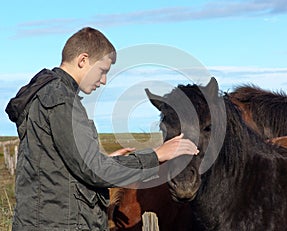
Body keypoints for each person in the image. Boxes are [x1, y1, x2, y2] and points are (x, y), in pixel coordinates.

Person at [5, 27, 198, 231]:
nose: (104, 80)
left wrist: (108, 161)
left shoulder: (47, 95)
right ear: (83, 60)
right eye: (102, 70)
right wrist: (156, 155)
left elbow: (65, 165)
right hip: (60, 223)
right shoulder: (60, 101)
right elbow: (94, 170)